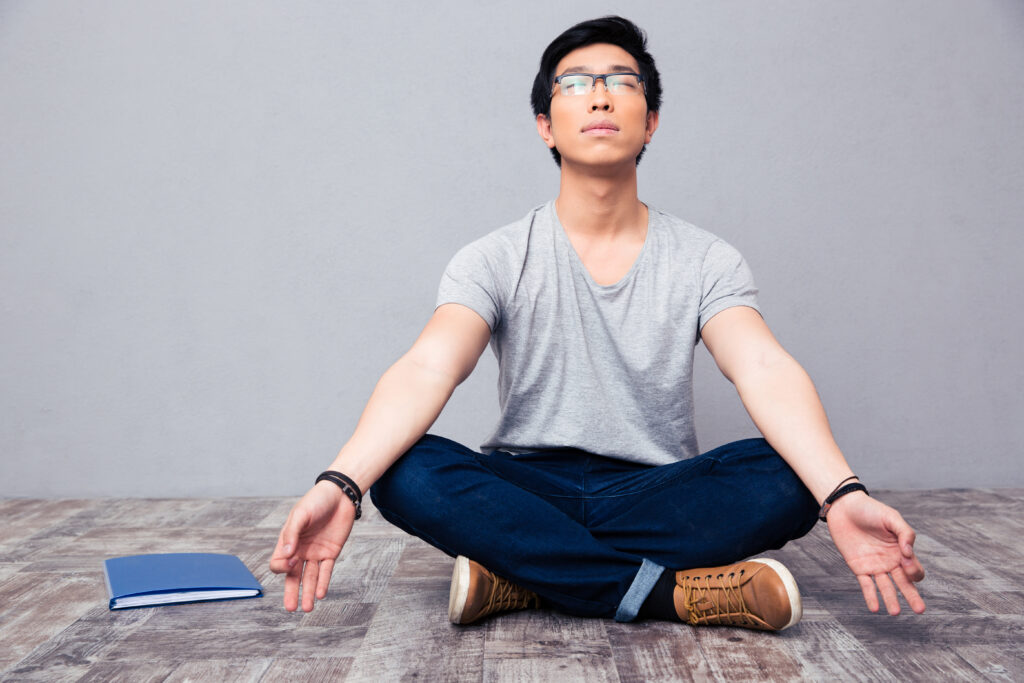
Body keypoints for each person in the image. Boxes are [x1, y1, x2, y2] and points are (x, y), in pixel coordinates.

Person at [269, 15, 926, 631]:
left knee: (790, 474)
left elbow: (761, 365)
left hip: (655, 489)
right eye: (576, 84)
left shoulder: (704, 257)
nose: (601, 97)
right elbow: (429, 364)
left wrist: (842, 494)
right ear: (545, 125)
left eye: (623, 82)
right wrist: (340, 482)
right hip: (526, 484)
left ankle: (526, 574)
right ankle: (672, 594)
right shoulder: (496, 255)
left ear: (652, 122)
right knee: (404, 471)